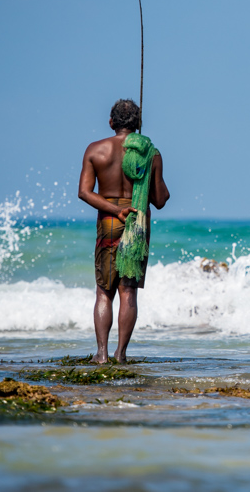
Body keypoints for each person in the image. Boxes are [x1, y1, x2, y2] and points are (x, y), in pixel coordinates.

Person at [78, 99, 169, 363]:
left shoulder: (96, 150)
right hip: (137, 222)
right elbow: (160, 200)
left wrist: (114, 210)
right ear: (138, 124)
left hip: (109, 220)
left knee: (104, 291)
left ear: (111, 122)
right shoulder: (150, 153)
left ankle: (102, 354)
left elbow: (84, 192)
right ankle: (121, 354)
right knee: (128, 291)